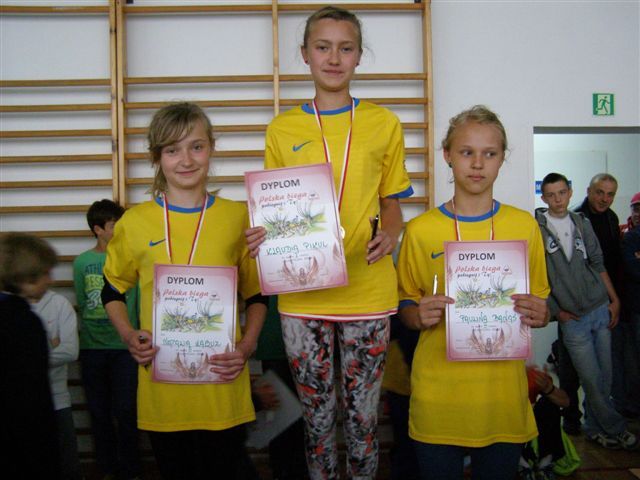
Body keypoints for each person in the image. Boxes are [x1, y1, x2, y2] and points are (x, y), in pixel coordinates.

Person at [246, 6, 413, 478]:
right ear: (305, 54)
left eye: (345, 48)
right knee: (317, 423)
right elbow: (277, 207)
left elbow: (392, 202)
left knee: (362, 421)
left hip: (368, 290)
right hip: (303, 295)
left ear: (359, 55)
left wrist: (391, 232)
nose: (334, 58)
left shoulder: (384, 123)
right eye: (323, 47)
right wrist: (263, 235)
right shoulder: (282, 129)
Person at [101, 102, 267, 479]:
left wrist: (246, 346)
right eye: (172, 150)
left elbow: (258, 295)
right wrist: (128, 335)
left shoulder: (238, 218)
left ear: (212, 149)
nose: (186, 160)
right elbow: (111, 291)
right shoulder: (135, 222)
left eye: (197, 146)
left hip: (222, 388)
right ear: (157, 157)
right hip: (164, 393)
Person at [396, 105, 550, 480]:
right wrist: (416, 315)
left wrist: (541, 314)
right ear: (447, 155)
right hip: (438, 396)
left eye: (489, 153)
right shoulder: (420, 230)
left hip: (502, 398)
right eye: (467, 152)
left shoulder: (524, 226)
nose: (478, 164)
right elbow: (404, 305)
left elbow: (541, 303)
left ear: (502, 159)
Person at [535, 172, 636, 450]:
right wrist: (556, 311)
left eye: (562, 193)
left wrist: (614, 300)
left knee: (605, 377)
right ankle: (616, 428)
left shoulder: (582, 222)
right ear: (544, 197)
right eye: (551, 195)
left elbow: (597, 263)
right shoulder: (536, 229)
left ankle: (594, 428)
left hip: (599, 308)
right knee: (590, 379)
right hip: (572, 319)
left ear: (570, 192)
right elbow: (536, 274)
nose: (558, 199)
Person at [73, 199, 142, 480]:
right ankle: (107, 469)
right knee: (99, 412)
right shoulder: (83, 262)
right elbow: (82, 302)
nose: (120, 230)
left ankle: (131, 470)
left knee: (127, 411)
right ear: (98, 229)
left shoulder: (131, 258)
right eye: (114, 225)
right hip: (92, 349)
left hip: (126, 349)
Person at [0, 233, 60, 479]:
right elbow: (32, 396)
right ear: (26, 276)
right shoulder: (23, 322)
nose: (50, 280)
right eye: (45, 272)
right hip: (21, 441)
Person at [32, 287, 82, 479]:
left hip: (57, 398)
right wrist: (50, 346)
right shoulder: (11, 307)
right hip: (19, 398)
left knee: (68, 464)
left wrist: (27, 356)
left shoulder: (59, 303)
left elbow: (70, 351)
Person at [519, 366, 573, 480]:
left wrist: (548, 389)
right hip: (508, 433)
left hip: (530, 432)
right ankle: (520, 463)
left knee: (549, 404)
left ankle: (544, 462)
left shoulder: (531, 374)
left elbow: (565, 402)